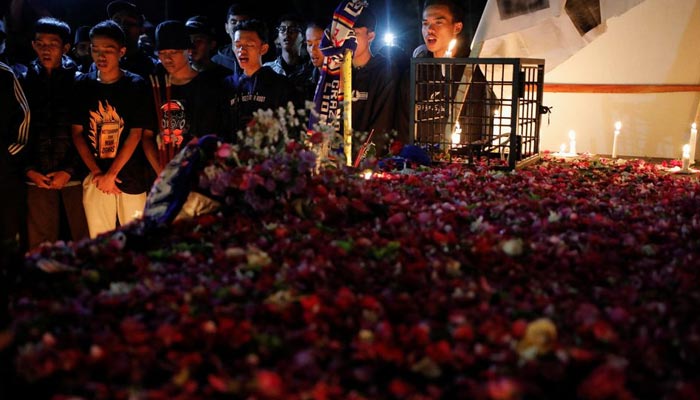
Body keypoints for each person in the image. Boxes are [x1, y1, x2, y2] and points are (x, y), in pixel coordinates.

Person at [71, 20, 154, 238]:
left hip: (131, 174)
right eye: (96, 49)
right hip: (95, 174)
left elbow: (136, 134)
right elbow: (77, 133)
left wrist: (112, 174)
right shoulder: (82, 85)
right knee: (100, 240)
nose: (101, 56)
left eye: (108, 50)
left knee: (136, 239)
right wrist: (99, 173)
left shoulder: (136, 85)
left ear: (121, 51)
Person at [20, 17, 88, 250]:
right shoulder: (23, 81)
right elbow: (18, 130)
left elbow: (87, 132)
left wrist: (69, 170)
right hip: (36, 176)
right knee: (40, 246)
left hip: (74, 176)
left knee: (81, 240)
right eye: (40, 43)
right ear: (33, 45)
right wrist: (29, 169)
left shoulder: (80, 82)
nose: (46, 49)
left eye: (53, 43)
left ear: (66, 47)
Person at [399, 0, 493, 152]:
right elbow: (404, 122)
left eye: (438, 22)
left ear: (457, 27)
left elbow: (476, 124)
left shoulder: (471, 71)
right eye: (425, 23)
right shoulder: (416, 70)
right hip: (419, 160)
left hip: (460, 162)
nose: (430, 29)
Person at [143, 20, 225, 173]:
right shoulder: (155, 86)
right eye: (162, 53)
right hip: (162, 172)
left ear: (188, 51)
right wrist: (162, 172)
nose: (167, 59)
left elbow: (211, 137)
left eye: (173, 52)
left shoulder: (209, 87)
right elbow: (147, 136)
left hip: (197, 172)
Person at [222, 19, 301, 137]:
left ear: (263, 48)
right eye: (238, 45)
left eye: (249, 45)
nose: (241, 51)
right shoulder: (227, 85)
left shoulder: (280, 85)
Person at [349, 9, 399, 157]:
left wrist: (365, 158)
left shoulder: (385, 71)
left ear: (370, 35)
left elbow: (382, 123)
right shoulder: (334, 69)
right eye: (344, 33)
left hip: (368, 161)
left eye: (354, 34)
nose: (347, 40)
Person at [0, 60, 30, 251]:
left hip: (3, 171)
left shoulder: (4, 74)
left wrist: (8, 155)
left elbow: (23, 116)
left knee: (7, 232)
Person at [105, 0, 158, 79]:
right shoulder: (100, 65)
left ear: (141, 29)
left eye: (129, 23)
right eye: (117, 21)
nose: (121, 27)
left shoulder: (153, 68)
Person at [264, 14, 313, 96]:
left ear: (304, 37)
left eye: (293, 30)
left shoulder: (310, 71)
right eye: (282, 29)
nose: (286, 33)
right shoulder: (268, 69)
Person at [212, 3, 255, 78]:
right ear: (226, 28)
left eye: (243, 22)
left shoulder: (260, 57)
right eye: (233, 22)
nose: (237, 26)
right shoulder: (216, 61)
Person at [185, 15, 232, 80]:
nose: (192, 45)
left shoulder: (226, 78)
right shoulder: (180, 75)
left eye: (198, 41)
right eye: (188, 40)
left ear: (212, 44)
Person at [302, 19, 325, 102]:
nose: (313, 50)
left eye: (319, 44)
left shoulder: (345, 76)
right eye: (309, 44)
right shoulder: (303, 79)